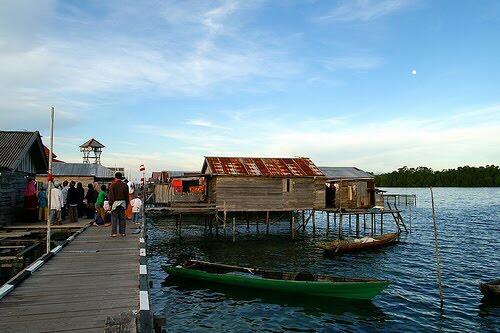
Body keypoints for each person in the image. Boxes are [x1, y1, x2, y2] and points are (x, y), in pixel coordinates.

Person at [108, 172, 129, 237]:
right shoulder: (125, 185)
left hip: (115, 203)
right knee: (122, 218)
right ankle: (122, 233)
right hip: (123, 203)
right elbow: (127, 196)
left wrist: (110, 204)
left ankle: (114, 233)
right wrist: (127, 203)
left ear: (115, 177)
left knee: (114, 218)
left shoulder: (112, 184)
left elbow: (111, 195)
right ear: (121, 177)